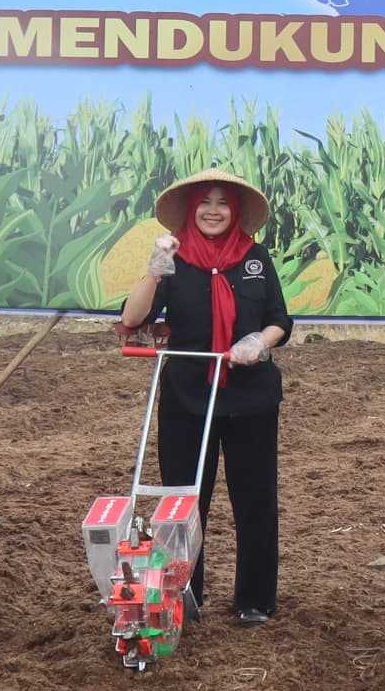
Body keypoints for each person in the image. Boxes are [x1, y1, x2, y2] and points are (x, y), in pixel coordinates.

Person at [114, 170, 294, 624]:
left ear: (235, 213)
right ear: (191, 210)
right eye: (204, 203)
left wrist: (259, 342)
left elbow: (280, 319)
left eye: (223, 204)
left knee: (254, 497)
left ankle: (255, 600)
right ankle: (182, 592)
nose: (213, 211)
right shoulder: (173, 257)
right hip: (187, 393)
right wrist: (152, 273)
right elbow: (133, 318)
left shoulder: (255, 256)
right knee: (185, 496)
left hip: (249, 393)